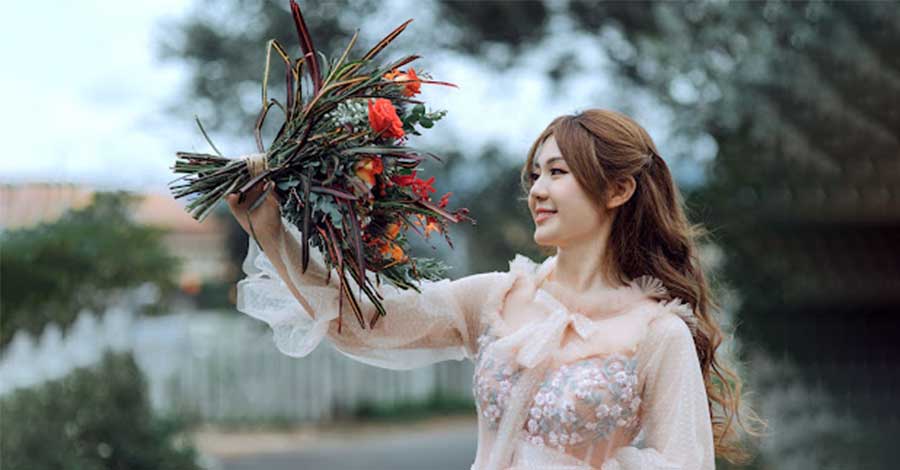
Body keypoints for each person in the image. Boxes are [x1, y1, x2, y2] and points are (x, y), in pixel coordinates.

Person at [226, 109, 760, 469]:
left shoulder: (658, 333)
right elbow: (363, 323)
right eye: (534, 175)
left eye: (557, 172)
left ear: (618, 189)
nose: (538, 191)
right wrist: (272, 230)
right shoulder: (496, 298)